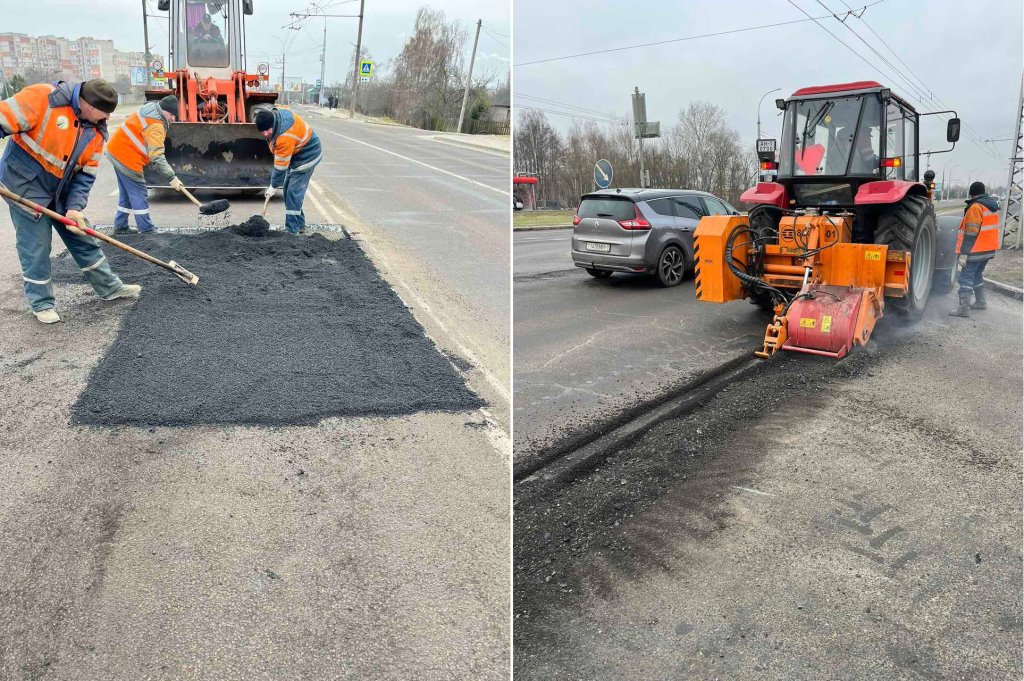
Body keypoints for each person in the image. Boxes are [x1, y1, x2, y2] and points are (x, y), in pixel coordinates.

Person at [0, 79, 140, 324]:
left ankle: (109, 288)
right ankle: (41, 303)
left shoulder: (96, 130)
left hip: (62, 188)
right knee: (36, 245)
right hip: (25, 185)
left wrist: (75, 208)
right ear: (87, 104)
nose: (106, 117)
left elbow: (86, 175)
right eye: (104, 112)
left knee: (82, 235)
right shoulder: (43, 98)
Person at [106, 95, 184, 234]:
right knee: (139, 192)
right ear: (163, 110)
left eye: (175, 116)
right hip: (127, 158)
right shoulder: (156, 125)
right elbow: (157, 156)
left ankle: (121, 226)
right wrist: (171, 177)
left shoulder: (150, 109)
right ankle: (147, 230)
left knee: (126, 194)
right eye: (171, 114)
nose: (173, 118)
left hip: (116, 151)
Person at [254, 108, 322, 235]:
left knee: (292, 192)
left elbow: (280, 167)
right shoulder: (276, 119)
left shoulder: (285, 137)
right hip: (297, 154)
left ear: (273, 124)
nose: (265, 134)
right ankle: (300, 225)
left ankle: (292, 231)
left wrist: (273, 186)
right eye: (262, 131)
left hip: (308, 156)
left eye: (267, 130)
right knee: (288, 190)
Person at [950, 181, 1000, 318]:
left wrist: (964, 253)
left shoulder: (975, 207)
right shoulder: (990, 206)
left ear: (972, 193)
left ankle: (963, 309)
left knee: (965, 277)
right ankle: (981, 302)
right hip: (988, 249)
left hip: (975, 250)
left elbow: (971, 233)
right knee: (977, 274)